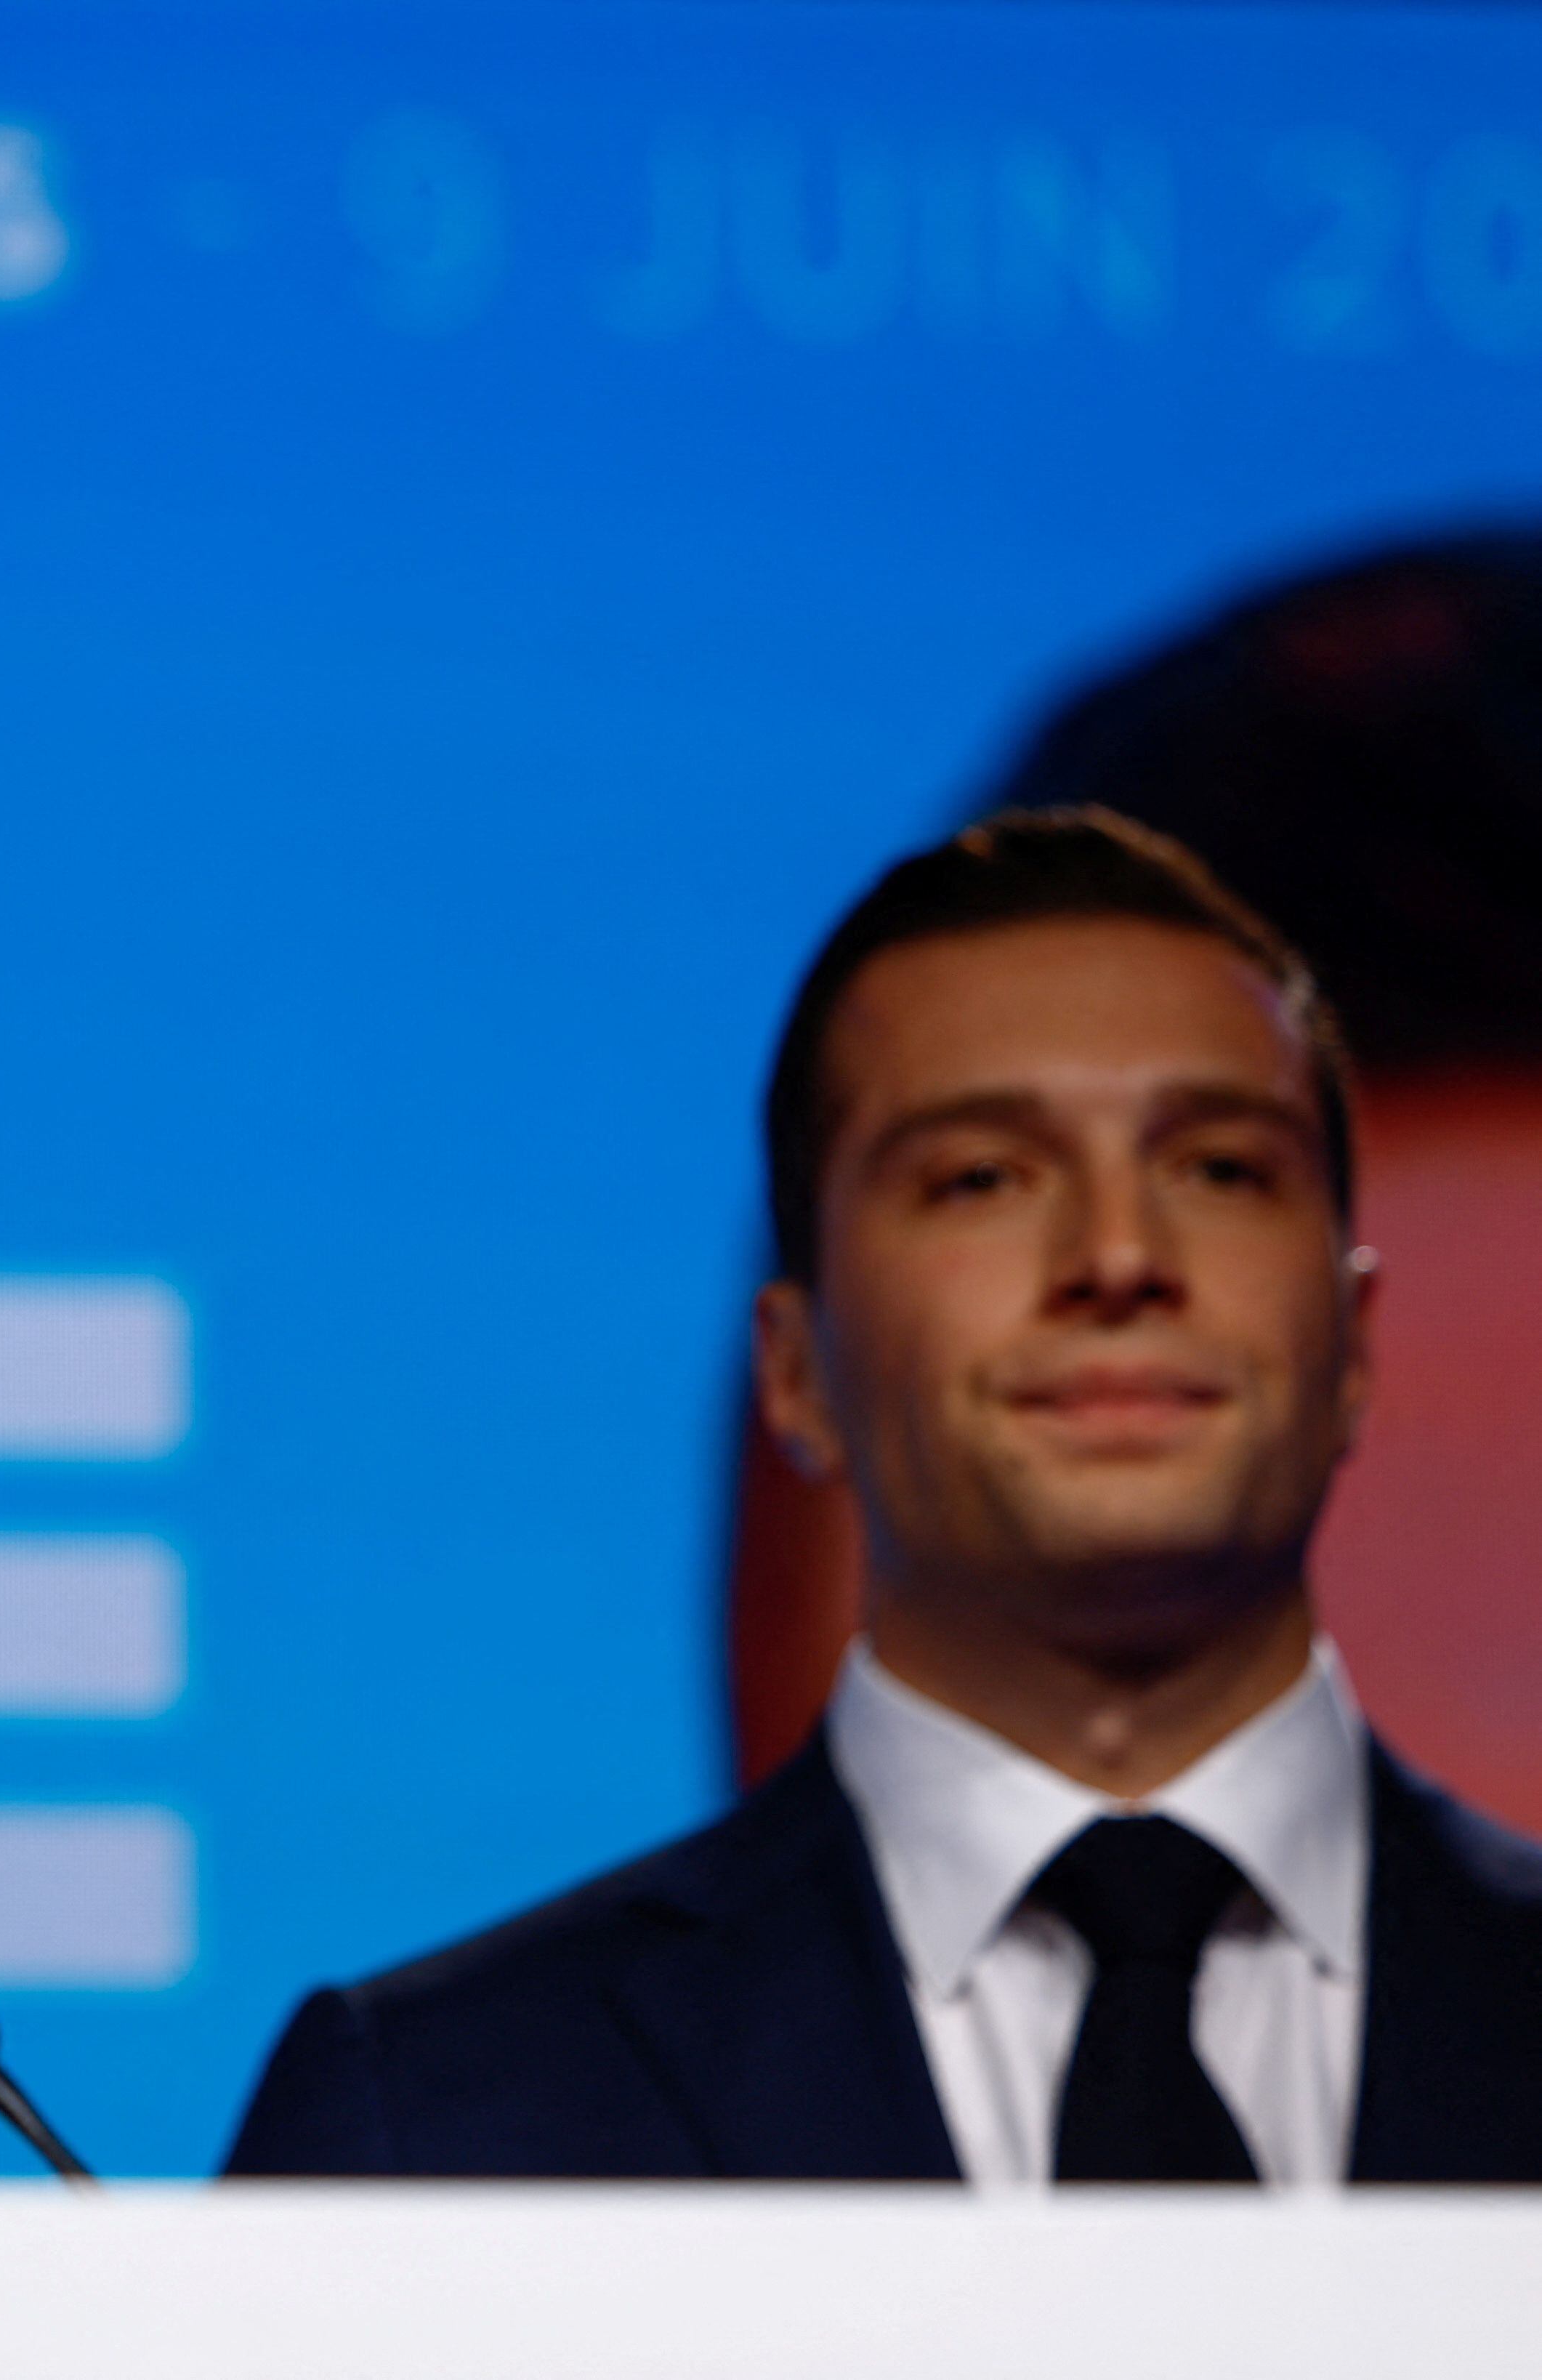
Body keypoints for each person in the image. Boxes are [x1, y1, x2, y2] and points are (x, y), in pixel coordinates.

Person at [227, 809, 1542, 2185]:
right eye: (982, 1178)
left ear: (1357, 1337)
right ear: (796, 1371)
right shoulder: (436, 2120)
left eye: (1220, 1168)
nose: (1118, 1254)